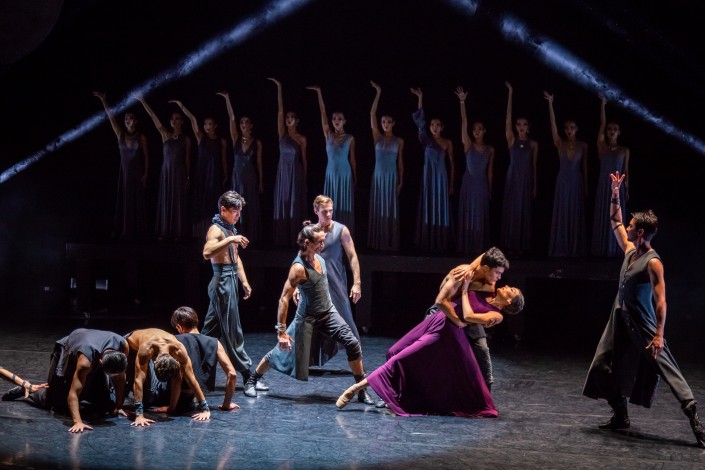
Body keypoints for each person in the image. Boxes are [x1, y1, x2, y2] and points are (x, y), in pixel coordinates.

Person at [582, 172, 704, 448]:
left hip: (643, 322)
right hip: (619, 318)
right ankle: (620, 416)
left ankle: (695, 419)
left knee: (666, 366)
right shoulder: (629, 250)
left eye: (631, 224)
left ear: (640, 232)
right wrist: (615, 195)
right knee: (602, 364)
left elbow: (661, 301)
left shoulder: (653, 262)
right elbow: (615, 221)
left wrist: (659, 334)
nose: (626, 226)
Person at [336, 273, 523, 416]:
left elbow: (468, 315)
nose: (507, 285)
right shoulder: (488, 289)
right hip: (437, 318)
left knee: (401, 358)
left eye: (512, 290)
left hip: (447, 331)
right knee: (394, 351)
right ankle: (395, 396)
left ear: (509, 301)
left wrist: (465, 290)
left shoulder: (496, 315)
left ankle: (355, 388)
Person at [243, 222, 371, 405]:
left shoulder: (319, 258)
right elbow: (283, 299)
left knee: (352, 343)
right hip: (307, 318)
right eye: (319, 242)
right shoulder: (298, 268)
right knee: (281, 352)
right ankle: (252, 379)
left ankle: (361, 390)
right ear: (307, 243)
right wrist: (281, 332)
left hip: (328, 313)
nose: (323, 245)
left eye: (323, 241)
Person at [3, 328, 129, 433]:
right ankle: (28, 389)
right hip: (69, 350)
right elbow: (73, 393)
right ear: (100, 362)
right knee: (54, 404)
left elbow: (120, 377)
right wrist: (77, 422)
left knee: (107, 405)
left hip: (92, 349)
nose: (115, 377)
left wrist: (118, 406)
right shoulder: (85, 361)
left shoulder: (123, 345)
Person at [201, 191, 265, 392]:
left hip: (229, 282)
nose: (238, 215)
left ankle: (198, 375)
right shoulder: (216, 230)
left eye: (240, 211)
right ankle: (248, 377)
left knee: (208, 334)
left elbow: (235, 258)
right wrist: (231, 240)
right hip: (222, 283)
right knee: (232, 332)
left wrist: (244, 281)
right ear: (223, 210)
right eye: (235, 211)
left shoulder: (230, 229)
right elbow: (207, 253)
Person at [439, 247, 522, 390]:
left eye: (500, 273)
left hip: (469, 321)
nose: (500, 279)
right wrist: (470, 268)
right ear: (486, 268)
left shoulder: (491, 288)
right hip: (451, 312)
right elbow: (490, 254)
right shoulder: (471, 276)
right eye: (497, 272)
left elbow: (470, 316)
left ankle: (485, 387)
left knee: (482, 349)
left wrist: (465, 292)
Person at [142, 306, 239, 414]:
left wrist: (172, 407)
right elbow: (232, 374)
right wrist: (226, 404)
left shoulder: (174, 341)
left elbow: (177, 378)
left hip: (166, 396)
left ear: (179, 327)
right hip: (192, 397)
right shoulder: (215, 342)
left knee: (147, 357)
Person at [124, 328, 211, 427]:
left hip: (155, 344)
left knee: (153, 393)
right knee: (144, 393)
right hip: (131, 347)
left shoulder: (179, 349)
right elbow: (138, 380)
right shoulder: (146, 349)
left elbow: (191, 379)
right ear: (154, 362)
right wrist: (139, 415)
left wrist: (205, 409)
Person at [93, 91, 149, 239]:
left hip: (137, 172)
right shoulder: (120, 134)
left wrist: (145, 173)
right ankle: (124, 230)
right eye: (125, 118)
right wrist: (104, 100)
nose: (127, 120)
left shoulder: (141, 136)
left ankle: (137, 231)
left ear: (135, 121)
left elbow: (146, 156)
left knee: (136, 201)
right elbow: (111, 117)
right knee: (125, 200)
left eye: (130, 118)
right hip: (124, 173)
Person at [169, 99, 228, 239]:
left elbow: (224, 160)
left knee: (214, 203)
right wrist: (181, 105)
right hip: (202, 174)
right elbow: (192, 119)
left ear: (215, 126)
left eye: (210, 124)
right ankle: (201, 232)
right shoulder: (200, 137)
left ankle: (215, 232)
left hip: (215, 174)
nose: (207, 126)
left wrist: (226, 175)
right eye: (205, 124)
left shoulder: (222, 141)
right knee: (202, 202)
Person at [137, 95, 191, 241]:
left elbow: (187, 159)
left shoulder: (186, 139)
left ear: (182, 121)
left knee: (178, 201)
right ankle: (165, 231)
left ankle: (178, 233)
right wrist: (143, 101)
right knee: (166, 199)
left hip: (179, 172)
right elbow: (153, 117)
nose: (174, 120)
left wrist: (187, 176)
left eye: (177, 118)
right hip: (166, 172)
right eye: (172, 118)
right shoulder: (165, 134)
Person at [307, 85, 356, 234]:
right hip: (331, 175)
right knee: (329, 206)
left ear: (344, 121)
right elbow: (323, 112)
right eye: (334, 118)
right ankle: (329, 235)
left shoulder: (350, 138)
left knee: (344, 205)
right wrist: (319, 94)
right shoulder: (328, 134)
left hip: (345, 175)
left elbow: (353, 160)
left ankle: (344, 235)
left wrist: (355, 177)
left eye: (339, 119)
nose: (336, 121)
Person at [410, 87, 454, 252]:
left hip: (441, 178)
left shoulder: (447, 142)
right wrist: (420, 99)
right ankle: (428, 240)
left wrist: (451, 184)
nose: (434, 127)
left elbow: (452, 163)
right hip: (428, 177)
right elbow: (420, 122)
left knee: (440, 207)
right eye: (432, 125)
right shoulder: (425, 139)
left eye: (437, 125)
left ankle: (441, 241)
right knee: (429, 205)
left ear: (442, 127)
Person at [544, 91, 587, 257]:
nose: (569, 130)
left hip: (576, 181)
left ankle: (574, 248)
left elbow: (585, 167)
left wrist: (586, 186)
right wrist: (550, 104)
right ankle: (561, 248)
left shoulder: (583, 145)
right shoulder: (560, 143)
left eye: (572, 127)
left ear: (576, 129)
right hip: (562, 181)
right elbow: (552, 125)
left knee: (574, 213)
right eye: (567, 128)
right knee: (562, 212)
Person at [217, 91, 262, 241]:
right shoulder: (235, 138)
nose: (243, 124)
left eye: (246, 122)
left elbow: (259, 163)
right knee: (236, 206)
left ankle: (251, 235)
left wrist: (261, 181)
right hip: (237, 177)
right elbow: (231, 118)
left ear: (251, 125)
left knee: (250, 205)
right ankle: (236, 234)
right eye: (242, 122)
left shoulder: (256, 142)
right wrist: (227, 99)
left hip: (250, 177)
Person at [454, 87, 493, 254]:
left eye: (479, 129)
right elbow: (464, 121)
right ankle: (467, 246)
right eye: (474, 129)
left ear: (484, 131)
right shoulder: (468, 145)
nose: (476, 131)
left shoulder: (490, 149)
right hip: (468, 184)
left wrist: (490, 189)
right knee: (468, 214)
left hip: (481, 184)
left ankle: (478, 248)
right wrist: (462, 102)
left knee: (479, 216)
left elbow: (490, 171)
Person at [268, 78, 308, 247]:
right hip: (282, 173)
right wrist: (279, 88)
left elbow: (304, 160)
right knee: (283, 201)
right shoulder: (282, 134)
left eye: (292, 117)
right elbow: (279, 112)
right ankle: (282, 238)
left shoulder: (302, 138)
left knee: (294, 203)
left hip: (295, 172)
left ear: (297, 121)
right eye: (288, 117)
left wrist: (304, 179)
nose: (289, 119)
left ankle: (295, 238)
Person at [590, 93, 630, 257]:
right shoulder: (602, 146)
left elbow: (626, 171)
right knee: (604, 214)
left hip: (617, 187)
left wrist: (627, 189)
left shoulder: (624, 150)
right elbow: (602, 124)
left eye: (615, 129)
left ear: (619, 132)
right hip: (604, 185)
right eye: (610, 129)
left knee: (617, 216)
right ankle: (601, 248)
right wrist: (603, 106)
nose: (612, 131)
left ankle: (616, 248)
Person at [500, 82, 537, 256]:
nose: (521, 126)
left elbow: (534, 166)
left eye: (524, 124)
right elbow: (507, 119)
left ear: (528, 127)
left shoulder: (533, 144)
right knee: (512, 209)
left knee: (524, 210)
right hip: (513, 177)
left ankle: (522, 245)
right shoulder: (512, 140)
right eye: (519, 124)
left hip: (526, 178)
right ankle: (510, 244)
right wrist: (510, 94)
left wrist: (535, 185)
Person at [367, 80, 404, 251]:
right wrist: (378, 93)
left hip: (391, 177)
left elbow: (400, 161)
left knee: (389, 208)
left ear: (393, 123)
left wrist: (401, 181)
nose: (385, 124)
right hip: (378, 176)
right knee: (378, 208)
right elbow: (372, 114)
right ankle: (378, 241)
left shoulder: (399, 141)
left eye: (388, 122)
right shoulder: (377, 137)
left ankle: (389, 242)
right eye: (383, 122)